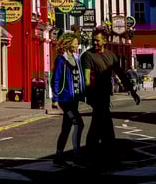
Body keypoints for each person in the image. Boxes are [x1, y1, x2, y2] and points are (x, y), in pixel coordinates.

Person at [81, 28, 139, 164]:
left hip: (105, 95)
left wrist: (132, 91)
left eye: (97, 41)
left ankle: (101, 152)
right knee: (101, 121)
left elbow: (121, 74)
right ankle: (101, 152)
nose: (94, 43)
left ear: (105, 41)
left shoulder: (111, 56)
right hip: (95, 95)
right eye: (93, 40)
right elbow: (86, 78)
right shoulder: (87, 56)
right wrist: (87, 94)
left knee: (101, 123)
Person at [51, 34, 85, 167]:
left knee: (66, 127)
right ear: (69, 44)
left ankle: (58, 157)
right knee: (79, 124)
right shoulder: (61, 60)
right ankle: (76, 155)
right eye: (76, 43)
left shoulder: (76, 58)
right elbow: (56, 79)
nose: (77, 45)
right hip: (65, 100)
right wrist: (55, 98)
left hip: (74, 99)